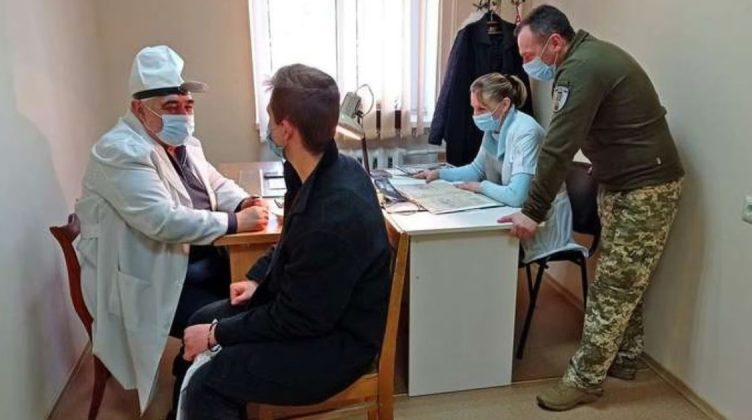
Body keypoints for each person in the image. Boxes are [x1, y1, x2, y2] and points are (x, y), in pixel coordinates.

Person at [175, 64, 392, 419]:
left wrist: (217, 335)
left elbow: (297, 319)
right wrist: (257, 277)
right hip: (311, 314)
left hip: (335, 346)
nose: (268, 126)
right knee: (199, 319)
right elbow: (293, 241)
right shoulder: (316, 171)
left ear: (286, 129)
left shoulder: (333, 215)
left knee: (209, 379)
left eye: (270, 118)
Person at [499, 5, 686, 411]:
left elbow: (558, 147)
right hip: (622, 184)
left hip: (646, 190)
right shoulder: (584, 60)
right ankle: (627, 357)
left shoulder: (582, 68)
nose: (526, 64)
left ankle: (585, 380)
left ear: (554, 42)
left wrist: (532, 211)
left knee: (613, 287)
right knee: (622, 280)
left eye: (528, 55)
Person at [75, 45, 269, 410]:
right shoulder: (120, 150)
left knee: (262, 291)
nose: (183, 115)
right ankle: (193, 396)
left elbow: (214, 183)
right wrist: (234, 222)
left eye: (188, 105)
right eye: (171, 106)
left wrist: (244, 201)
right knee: (237, 319)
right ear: (139, 109)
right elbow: (161, 220)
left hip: (194, 262)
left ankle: (198, 372)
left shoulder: (183, 142)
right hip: (153, 276)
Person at [417, 72, 584, 262]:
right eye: (474, 108)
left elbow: (516, 196)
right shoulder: (494, 128)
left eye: (481, 108)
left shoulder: (525, 131)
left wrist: (480, 187)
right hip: (516, 212)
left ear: (504, 105)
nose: (475, 115)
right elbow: (476, 170)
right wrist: (438, 174)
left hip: (543, 223)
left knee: (470, 248)